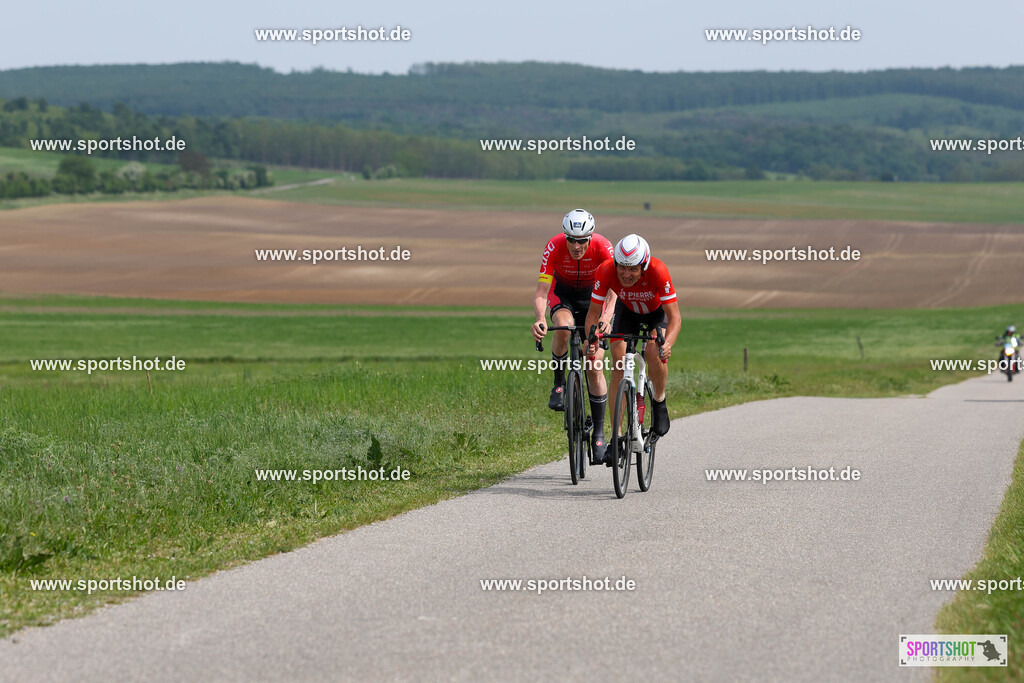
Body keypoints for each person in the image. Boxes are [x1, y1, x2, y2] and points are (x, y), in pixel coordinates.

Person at [585, 234, 681, 463]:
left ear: (644, 266)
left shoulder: (658, 270)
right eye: (622, 269)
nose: (626, 275)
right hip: (627, 314)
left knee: (653, 351)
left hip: (656, 315)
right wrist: (592, 339)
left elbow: (675, 317)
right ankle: (616, 439)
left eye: (633, 270)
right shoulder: (606, 270)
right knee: (619, 364)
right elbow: (593, 313)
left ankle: (659, 399)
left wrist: (667, 344)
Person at [531, 209, 616, 460]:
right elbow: (542, 290)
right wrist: (539, 319)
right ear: (564, 236)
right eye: (571, 239)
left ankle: (599, 434)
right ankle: (559, 384)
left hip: (595, 298)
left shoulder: (603, 248)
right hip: (564, 294)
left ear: (591, 237)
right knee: (564, 328)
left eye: (581, 240)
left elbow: (613, 292)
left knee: (594, 364)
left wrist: (605, 321)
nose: (576, 246)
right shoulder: (554, 246)